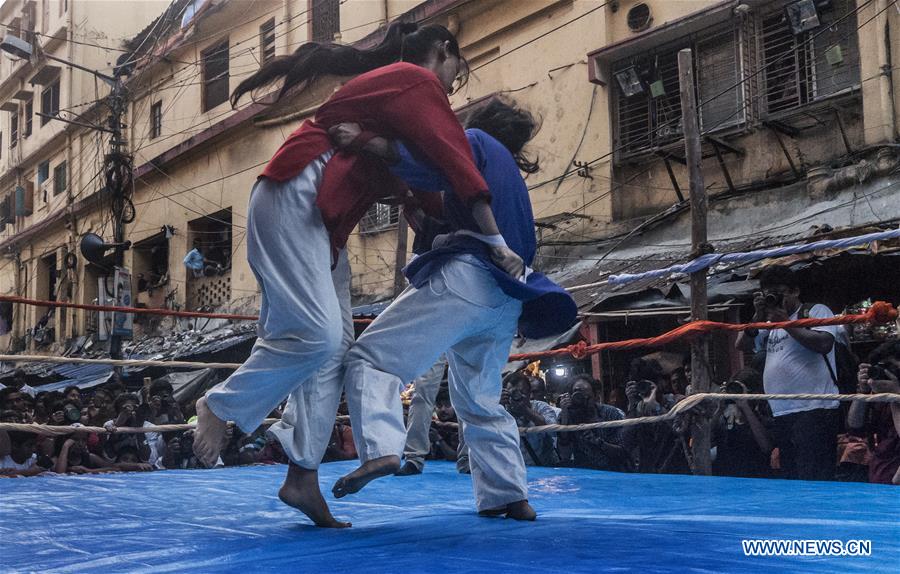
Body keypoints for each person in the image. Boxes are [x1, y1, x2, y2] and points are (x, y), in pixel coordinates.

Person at [193, 22, 511, 528]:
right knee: (317, 339)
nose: (453, 86)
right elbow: (453, 161)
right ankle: (220, 404)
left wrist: (475, 222)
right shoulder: (414, 80)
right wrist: (496, 238)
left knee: (334, 353)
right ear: (443, 50)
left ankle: (302, 476)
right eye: (456, 70)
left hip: (326, 224)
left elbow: (433, 197)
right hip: (295, 193)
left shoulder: (399, 112)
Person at [332, 97, 577, 521]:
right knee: (481, 401)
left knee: (369, 358)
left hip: (469, 277)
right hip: (506, 299)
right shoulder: (510, 177)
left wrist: (368, 141)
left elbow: (430, 165)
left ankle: (382, 450)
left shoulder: (473, 142)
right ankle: (509, 494)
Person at [736, 265, 840, 481]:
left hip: (814, 407)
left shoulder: (814, 311)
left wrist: (786, 322)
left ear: (795, 291)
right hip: (782, 410)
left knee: (814, 475)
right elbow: (741, 344)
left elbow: (823, 343)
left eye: (779, 292)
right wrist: (757, 315)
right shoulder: (769, 321)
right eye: (768, 294)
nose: (774, 297)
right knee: (791, 476)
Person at [395, 354, 470, 475]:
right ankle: (414, 459)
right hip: (436, 337)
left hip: (464, 336)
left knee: (466, 394)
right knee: (422, 391)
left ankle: (468, 458)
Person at [847, 341, 900, 485]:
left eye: (892, 368)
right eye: (882, 368)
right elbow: (855, 427)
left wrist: (896, 395)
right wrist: (863, 391)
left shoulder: (891, 396)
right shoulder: (879, 397)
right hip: (880, 471)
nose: (886, 373)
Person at [558, 375, 630, 472]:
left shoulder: (610, 413)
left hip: (613, 470)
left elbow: (622, 452)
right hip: (585, 472)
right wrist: (565, 416)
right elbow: (564, 454)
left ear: (596, 396)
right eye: (578, 394)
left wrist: (598, 442)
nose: (583, 401)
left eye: (587, 397)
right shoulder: (568, 415)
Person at [711, 369, 774, 478]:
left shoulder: (763, 415)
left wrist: (745, 407)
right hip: (726, 477)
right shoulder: (724, 418)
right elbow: (705, 439)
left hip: (754, 478)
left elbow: (766, 447)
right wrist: (719, 408)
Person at [501, 372, 558, 466]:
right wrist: (499, 407)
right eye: (512, 392)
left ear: (529, 393)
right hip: (515, 469)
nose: (517, 395)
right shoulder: (501, 412)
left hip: (544, 468)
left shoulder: (541, 407)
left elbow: (552, 430)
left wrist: (525, 410)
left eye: (522, 392)